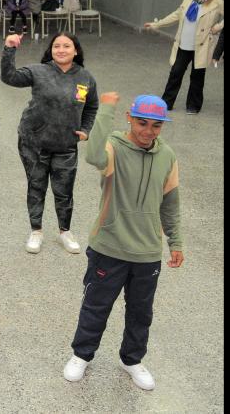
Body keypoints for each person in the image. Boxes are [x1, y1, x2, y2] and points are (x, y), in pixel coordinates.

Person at [62, 92, 183, 392]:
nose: (148, 131)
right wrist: (106, 108)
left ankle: (132, 359)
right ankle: (81, 355)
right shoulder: (114, 146)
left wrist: (175, 242)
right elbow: (92, 156)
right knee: (96, 306)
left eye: (156, 126)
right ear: (130, 117)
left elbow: (170, 204)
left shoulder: (167, 156)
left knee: (141, 312)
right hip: (109, 247)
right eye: (142, 122)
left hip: (147, 253)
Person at [1, 32, 98, 254]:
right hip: (33, 142)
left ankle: (65, 231)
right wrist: (9, 49)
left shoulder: (85, 78)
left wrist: (85, 130)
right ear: (51, 50)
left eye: (66, 46)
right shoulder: (38, 71)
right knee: (36, 186)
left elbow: (92, 106)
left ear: (76, 51)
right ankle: (36, 231)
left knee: (64, 190)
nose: (61, 50)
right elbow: (9, 77)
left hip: (66, 145)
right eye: (56, 46)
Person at [144, 0, 224, 114]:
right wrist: (157, 24)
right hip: (184, 44)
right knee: (175, 73)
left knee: (197, 76)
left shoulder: (217, 2)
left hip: (201, 46)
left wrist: (217, 27)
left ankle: (193, 106)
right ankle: (166, 103)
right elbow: (176, 15)